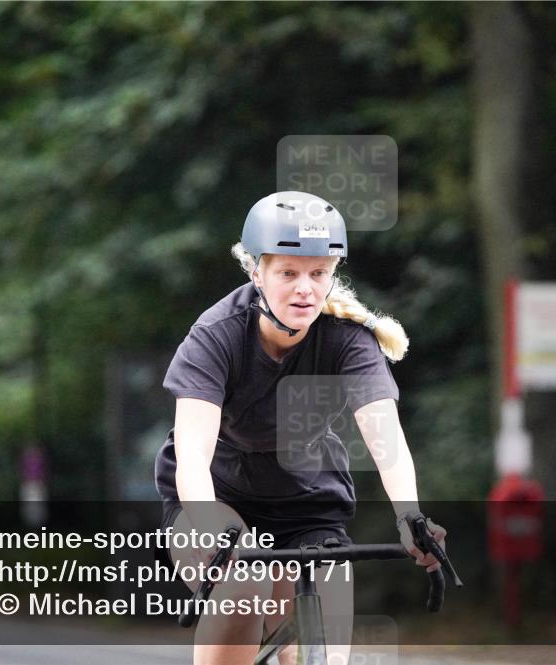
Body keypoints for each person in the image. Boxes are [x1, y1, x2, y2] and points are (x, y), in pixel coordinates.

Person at [154, 191, 447, 665]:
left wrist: (409, 517)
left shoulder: (348, 339)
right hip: (217, 497)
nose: (305, 289)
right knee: (244, 581)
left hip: (307, 506)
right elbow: (192, 460)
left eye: (318, 273)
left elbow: (386, 439)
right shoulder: (216, 335)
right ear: (256, 272)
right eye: (288, 273)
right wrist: (209, 530)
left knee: (322, 651)